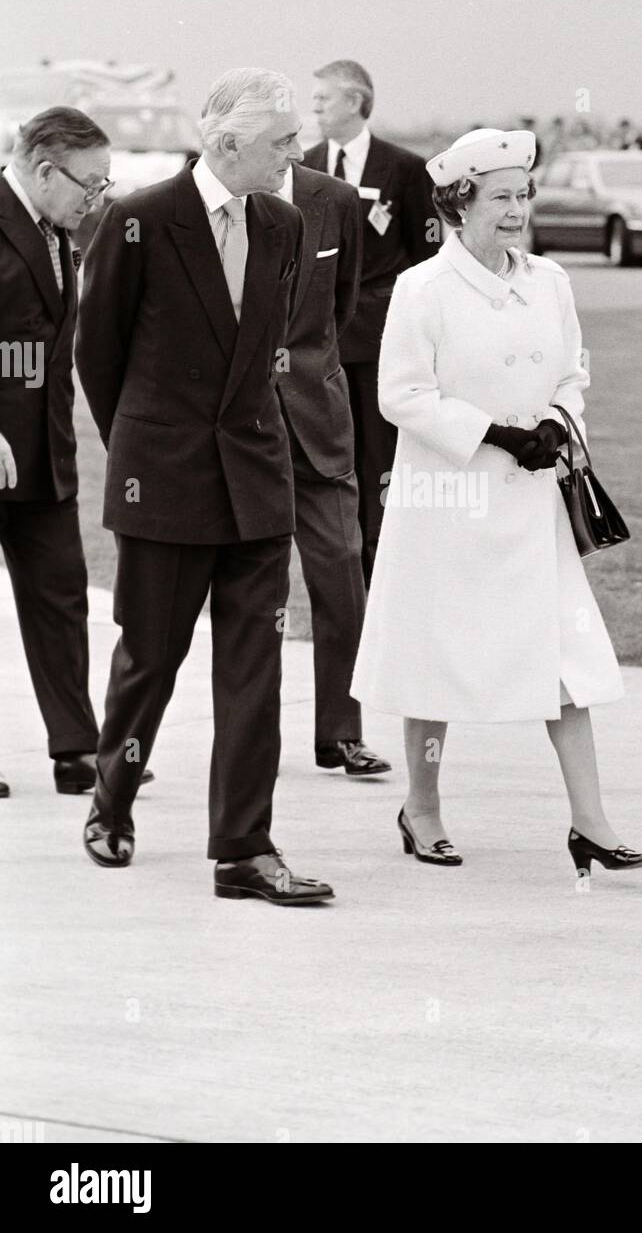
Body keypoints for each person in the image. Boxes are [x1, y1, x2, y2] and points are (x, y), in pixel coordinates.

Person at [350, 128, 642, 879]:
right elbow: (400, 395)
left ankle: (591, 823)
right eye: (502, 198)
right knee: (434, 656)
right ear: (460, 204)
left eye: (524, 195)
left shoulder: (550, 281)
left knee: (565, 657)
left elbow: (571, 371)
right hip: (445, 501)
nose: (517, 211)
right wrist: (490, 433)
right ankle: (421, 808)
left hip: (529, 505)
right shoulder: (424, 287)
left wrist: (557, 420)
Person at [75, 68, 333, 905]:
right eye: (280, 142)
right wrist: (143, 456)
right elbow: (98, 354)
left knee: (256, 672)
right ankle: (111, 802)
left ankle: (243, 850)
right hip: (164, 484)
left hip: (257, 483)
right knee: (150, 660)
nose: (296, 153)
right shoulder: (138, 221)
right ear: (225, 142)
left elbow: (263, 351)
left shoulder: (286, 225)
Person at [0, 107, 121, 799]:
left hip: (45, 455)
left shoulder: (58, 232)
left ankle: (77, 749)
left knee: (62, 597)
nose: (95, 198)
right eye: (89, 184)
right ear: (45, 169)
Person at [276, 156, 391, 776]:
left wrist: (309, 375)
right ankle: (248, 737)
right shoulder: (197, 194)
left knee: (345, 571)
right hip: (239, 434)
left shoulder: (336, 199)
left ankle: (341, 733)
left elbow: (340, 308)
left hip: (319, 424)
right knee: (247, 592)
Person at [304, 60, 438, 583]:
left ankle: (384, 567)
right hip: (318, 340)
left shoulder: (404, 169)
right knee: (329, 457)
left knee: (379, 456)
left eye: (323, 98)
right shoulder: (304, 165)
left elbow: (426, 259)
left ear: (357, 102)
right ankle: (341, 570)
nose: (313, 107)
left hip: (383, 337)